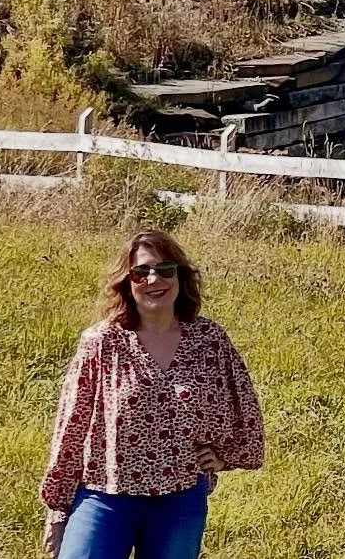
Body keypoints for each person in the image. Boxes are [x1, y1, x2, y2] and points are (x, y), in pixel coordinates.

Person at [39, 230, 265, 559]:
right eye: (141, 272)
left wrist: (224, 454)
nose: (153, 279)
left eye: (165, 269)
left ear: (180, 275)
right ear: (126, 283)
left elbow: (241, 403)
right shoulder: (101, 342)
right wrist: (58, 509)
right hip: (105, 495)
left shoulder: (209, 339)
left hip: (179, 500)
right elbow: (71, 426)